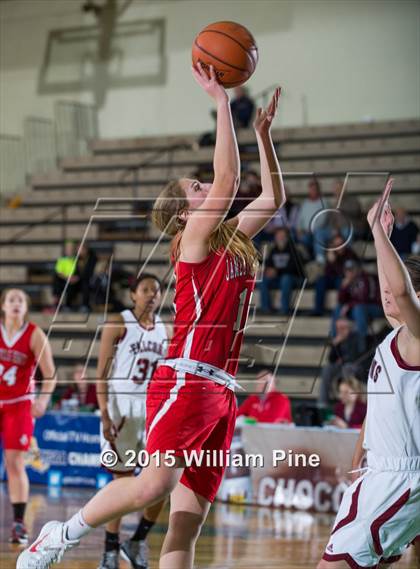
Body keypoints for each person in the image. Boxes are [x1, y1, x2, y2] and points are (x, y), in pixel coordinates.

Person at [18, 67, 285, 569]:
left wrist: (262, 137)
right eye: (195, 187)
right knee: (153, 484)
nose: (206, 185)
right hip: (185, 380)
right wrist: (222, 102)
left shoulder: (232, 238)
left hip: (221, 391)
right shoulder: (191, 243)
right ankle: (61, 535)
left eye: (201, 181)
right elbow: (228, 180)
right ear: (183, 215)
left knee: (188, 518)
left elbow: (273, 199)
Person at [318, 179, 420, 568]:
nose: (388, 293)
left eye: (400, 288)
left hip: (400, 479)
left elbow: (402, 292)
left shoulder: (416, 335)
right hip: (380, 474)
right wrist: (360, 453)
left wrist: (378, 234)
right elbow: (380, 406)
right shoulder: (396, 336)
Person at [96, 273, 168, 569]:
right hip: (122, 409)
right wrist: (104, 412)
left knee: (162, 482)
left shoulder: (166, 329)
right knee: (122, 483)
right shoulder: (119, 322)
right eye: (146, 289)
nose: (152, 294)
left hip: (154, 412)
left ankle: (137, 541)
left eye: (157, 290)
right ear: (133, 295)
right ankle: (110, 550)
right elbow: (100, 373)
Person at [0, 288, 57, 544]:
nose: (16, 303)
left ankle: (19, 523)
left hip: (19, 403)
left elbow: (50, 374)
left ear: (26, 307)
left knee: (14, 462)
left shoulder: (34, 334)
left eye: (20, 300)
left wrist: (44, 399)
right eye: (11, 299)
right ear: (3, 306)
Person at [332, 259, 382, 352]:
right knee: (338, 308)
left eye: (351, 269)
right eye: (347, 270)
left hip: (375, 307)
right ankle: (336, 341)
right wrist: (344, 287)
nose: (349, 272)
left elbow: (364, 299)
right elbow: (341, 300)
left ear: (357, 269)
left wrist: (349, 306)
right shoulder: (349, 281)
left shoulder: (366, 278)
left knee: (358, 309)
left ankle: (361, 345)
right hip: (358, 308)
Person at [318, 318, 363, 406]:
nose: (339, 330)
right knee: (327, 369)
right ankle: (322, 403)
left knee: (347, 368)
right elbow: (331, 359)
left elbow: (355, 356)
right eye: (338, 328)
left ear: (349, 328)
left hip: (355, 366)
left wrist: (343, 359)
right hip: (341, 367)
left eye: (342, 328)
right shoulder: (339, 338)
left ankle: (347, 403)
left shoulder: (356, 337)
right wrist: (336, 344)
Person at [259, 227, 304, 315]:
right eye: (278, 236)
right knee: (263, 280)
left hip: (294, 278)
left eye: (282, 236)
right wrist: (267, 271)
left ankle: (284, 309)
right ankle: (266, 308)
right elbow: (269, 265)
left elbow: (293, 268)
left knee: (286, 278)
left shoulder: (293, 250)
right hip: (278, 278)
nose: (280, 238)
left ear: (287, 237)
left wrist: (276, 271)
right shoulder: (273, 250)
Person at [296, 178, 330, 262]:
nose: (313, 191)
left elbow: (322, 221)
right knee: (295, 236)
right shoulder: (305, 203)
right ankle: (303, 260)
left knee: (318, 233)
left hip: (320, 231)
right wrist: (299, 229)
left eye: (315, 189)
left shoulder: (324, 202)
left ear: (318, 190)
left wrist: (310, 229)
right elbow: (300, 219)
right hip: (305, 233)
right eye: (311, 189)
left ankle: (320, 258)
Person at [52, 241, 79, 309]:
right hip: (64, 279)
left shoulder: (77, 259)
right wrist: (67, 278)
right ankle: (56, 303)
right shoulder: (62, 260)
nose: (69, 251)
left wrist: (75, 278)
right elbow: (58, 272)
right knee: (56, 281)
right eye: (67, 249)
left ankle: (68, 305)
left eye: (71, 249)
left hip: (74, 279)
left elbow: (79, 271)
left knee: (71, 286)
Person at [75, 244, 97, 312]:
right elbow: (75, 271)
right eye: (78, 249)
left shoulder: (92, 258)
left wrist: (78, 277)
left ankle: (85, 305)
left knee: (85, 284)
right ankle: (67, 306)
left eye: (80, 249)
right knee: (70, 284)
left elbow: (90, 272)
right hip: (78, 281)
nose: (78, 251)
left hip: (90, 280)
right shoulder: (76, 259)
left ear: (85, 250)